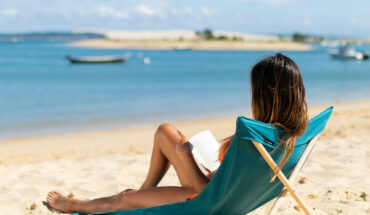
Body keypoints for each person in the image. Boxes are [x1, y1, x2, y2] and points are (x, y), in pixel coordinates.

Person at [46, 53, 308, 214]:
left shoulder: (251, 137)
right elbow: (247, 179)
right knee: (166, 132)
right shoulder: (298, 137)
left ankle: (74, 205)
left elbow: (210, 191)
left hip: (208, 203)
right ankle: (144, 194)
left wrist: (190, 157)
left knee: (124, 197)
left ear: (262, 95)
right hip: (226, 193)